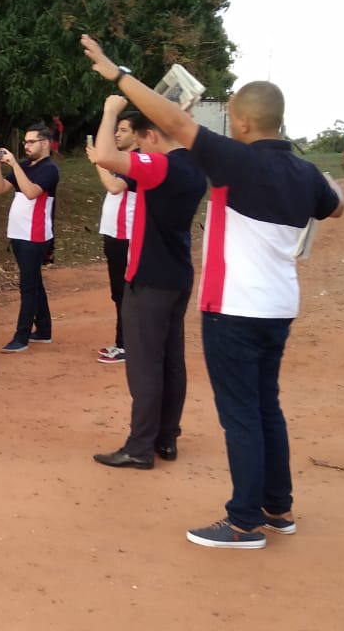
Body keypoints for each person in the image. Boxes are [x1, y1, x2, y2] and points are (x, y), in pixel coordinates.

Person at [82, 34, 344, 549]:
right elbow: (332, 206)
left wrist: (118, 77)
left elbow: (178, 124)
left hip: (235, 307)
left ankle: (244, 521)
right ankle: (278, 507)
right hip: (277, 306)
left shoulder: (238, 160)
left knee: (242, 414)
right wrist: (319, 190)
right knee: (266, 405)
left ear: (242, 123)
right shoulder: (305, 172)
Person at [87, 95, 208, 470]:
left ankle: (139, 446)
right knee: (171, 360)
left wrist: (109, 111)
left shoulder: (160, 167)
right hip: (176, 275)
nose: (138, 144)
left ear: (153, 136)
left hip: (149, 278)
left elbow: (106, 156)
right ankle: (166, 438)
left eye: (141, 138)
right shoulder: (193, 165)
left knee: (144, 365)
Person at [0, 124, 60, 353]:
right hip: (19, 233)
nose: (26, 146)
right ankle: (44, 330)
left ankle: (21, 337)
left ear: (45, 143)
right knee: (34, 281)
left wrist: (14, 166)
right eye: (25, 142)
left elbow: (31, 192)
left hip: (35, 235)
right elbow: (0, 189)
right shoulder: (25, 166)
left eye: (31, 142)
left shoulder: (50, 169)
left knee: (28, 285)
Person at [89, 110, 139, 364]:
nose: (117, 134)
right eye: (116, 130)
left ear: (137, 135)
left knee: (125, 292)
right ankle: (124, 343)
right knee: (119, 292)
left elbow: (114, 186)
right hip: (114, 235)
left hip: (126, 236)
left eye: (123, 130)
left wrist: (99, 161)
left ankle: (127, 345)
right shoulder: (124, 160)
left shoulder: (136, 160)